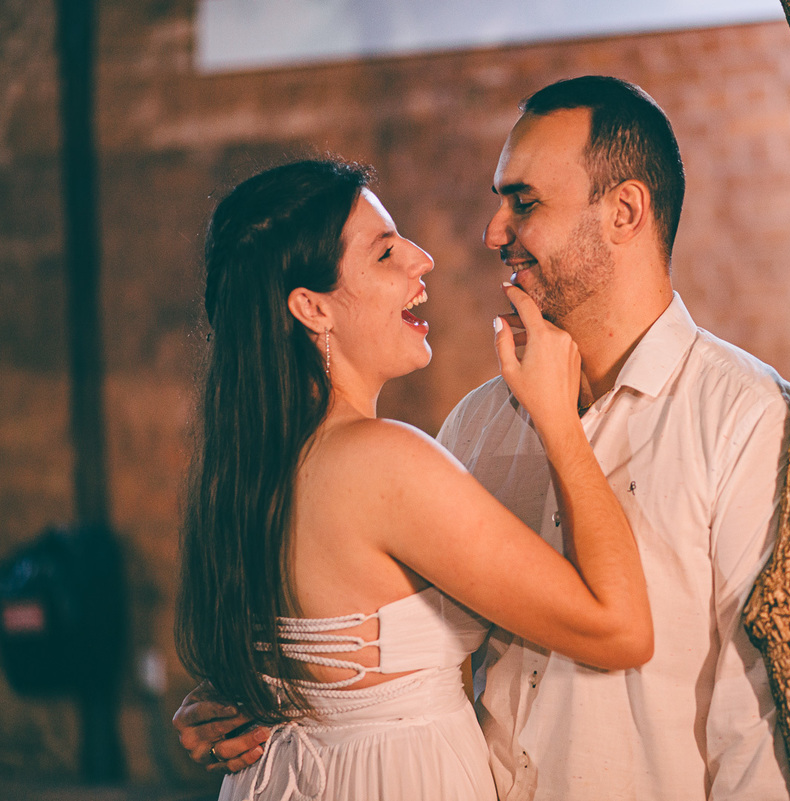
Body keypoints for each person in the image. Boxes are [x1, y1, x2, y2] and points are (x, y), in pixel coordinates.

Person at [176, 76, 790, 800]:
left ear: (625, 211)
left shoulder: (745, 419)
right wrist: (279, 689)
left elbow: (754, 724)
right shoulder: (476, 424)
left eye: (523, 202)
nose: (492, 232)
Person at [175, 157, 652, 801]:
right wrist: (559, 420)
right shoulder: (381, 462)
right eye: (385, 253)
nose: (422, 260)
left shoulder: (246, 471)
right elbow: (617, 627)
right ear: (312, 308)